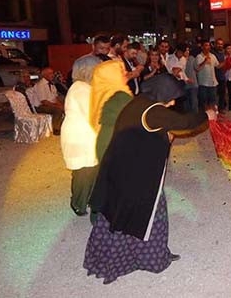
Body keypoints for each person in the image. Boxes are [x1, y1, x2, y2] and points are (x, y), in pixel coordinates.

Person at [84, 67, 216, 284]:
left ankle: (147, 258)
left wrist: (167, 137)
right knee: (144, 216)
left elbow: (148, 134)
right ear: (162, 93)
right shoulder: (152, 111)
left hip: (121, 172)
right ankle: (142, 260)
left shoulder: (138, 103)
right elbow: (184, 122)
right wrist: (206, 115)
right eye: (171, 98)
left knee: (120, 218)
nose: (173, 103)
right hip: (135, 178)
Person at [60, 55, 101, 216]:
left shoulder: (85, 87)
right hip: (81, 138)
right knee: (84, 173)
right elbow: (94, 116)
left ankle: (87, 199)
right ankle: (78, 203)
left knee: (91, 171)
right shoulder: (81, 88)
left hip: (86, 136)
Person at [30, 67, 65, 135]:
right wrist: (58, 106)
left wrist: (61, 105)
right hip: (40, 106)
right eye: (50, 73)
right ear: (44, 75)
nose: (52, 75)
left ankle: (63, 125)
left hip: (49, 104)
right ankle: (56, 129)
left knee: (65, 105)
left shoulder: (51, 85)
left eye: (52, 73)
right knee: (57, 110)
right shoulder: (40, 85)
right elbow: (44, 101)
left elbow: (55, 98)